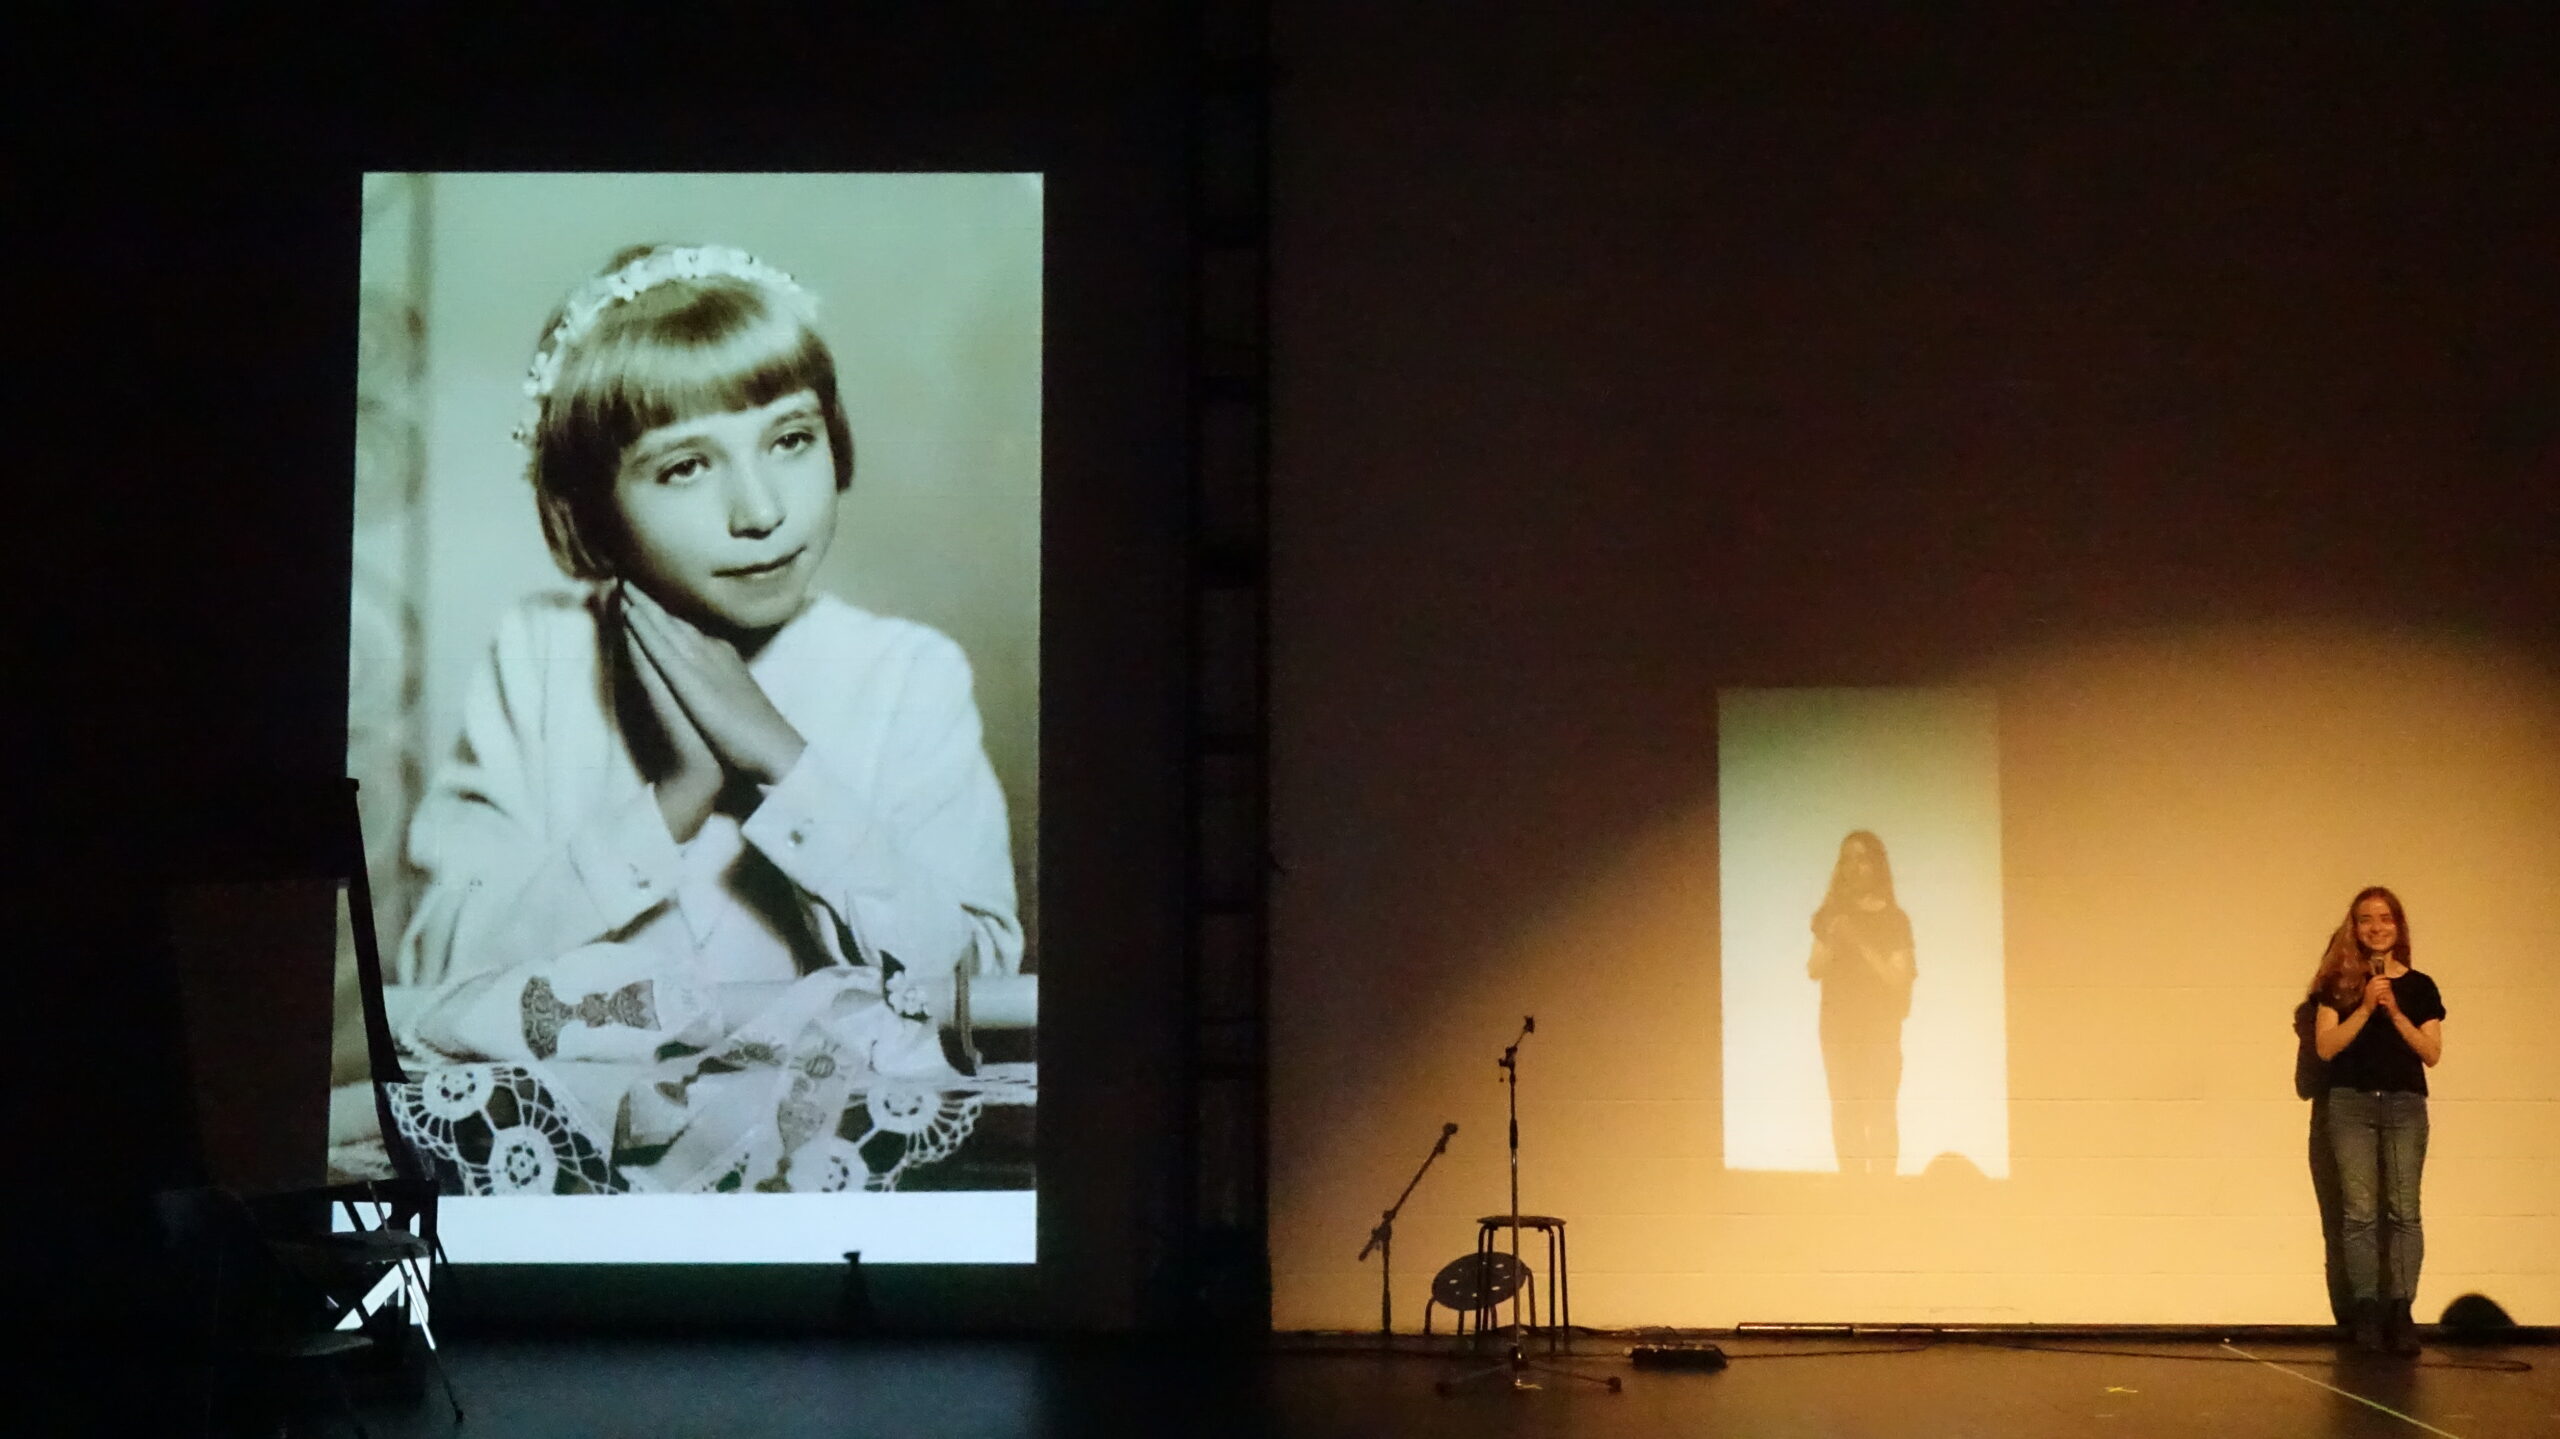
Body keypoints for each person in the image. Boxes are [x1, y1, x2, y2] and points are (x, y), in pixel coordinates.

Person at [388, 245, 1024, 1194]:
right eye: (686, 467)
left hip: (836, 1175)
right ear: (591, 511)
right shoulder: (540, 657)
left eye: (791, 439)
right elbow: (437, 984)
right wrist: (673, 799)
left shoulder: (908, 673)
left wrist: (780, 760)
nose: (761, 510)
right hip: (569, 1183)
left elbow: (979, 991)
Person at [2308, 886, 2446, 1355]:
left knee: (2404, 1212)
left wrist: (2394, 1010)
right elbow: (2326, 1048)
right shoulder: (2338, 985)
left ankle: (2401, 1310)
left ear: (2398, 925)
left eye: (2385, 918)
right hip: (2351, 1106)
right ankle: (2365, 1311)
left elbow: (2431, 1053)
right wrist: (2366, 1006)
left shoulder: (2421, 986)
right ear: (2355, 927)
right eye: (2366, 919)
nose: (2376, 927)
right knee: (2360, 1214)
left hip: (2405, 1106)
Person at [1807, 831, 1915, 1177]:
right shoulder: (1829, 915)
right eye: (1846, 859)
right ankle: (1852, 1193)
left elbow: (1899, 978)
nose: (1853, 867)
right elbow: (1814, 968)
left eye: (1861, 858)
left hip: (1880, 1028)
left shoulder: (1894, 920)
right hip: (1838, 1026)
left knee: (1880, 1109)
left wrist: (1859, 942)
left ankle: (1882, 1196)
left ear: (1876, 865)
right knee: (1845, 1108)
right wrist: (1834, 938)